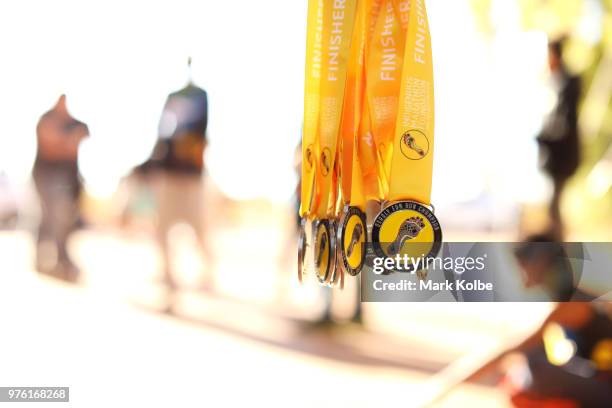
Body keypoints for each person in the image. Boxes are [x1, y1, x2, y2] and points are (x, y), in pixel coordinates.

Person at [143, 59, 211, 297]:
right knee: (162, 228)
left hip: (191, 176)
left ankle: (207, 275)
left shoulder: (201, 96)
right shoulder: (173, 98)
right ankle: (169, 277)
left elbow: (201, 136)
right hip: (170, 174)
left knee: (200, 229)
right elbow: (162, 133)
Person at [33, 94, 89, 282]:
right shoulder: (46, 118)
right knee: (50, 215)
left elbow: (83, 135)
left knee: (62, 217)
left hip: (68, 179)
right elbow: (50, 144)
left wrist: (64, 140)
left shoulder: (74, 122)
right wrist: (67, 141)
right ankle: (47, 258)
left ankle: (61, 259)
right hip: (45, 176)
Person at [536, 38, 582, 240]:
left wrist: (547, 138)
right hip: (557, 154)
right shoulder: (555, 82)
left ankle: (558, 246)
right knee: (553, 204)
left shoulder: (567, 83)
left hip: (562, 154)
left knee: (554, 205)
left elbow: (565, 123)